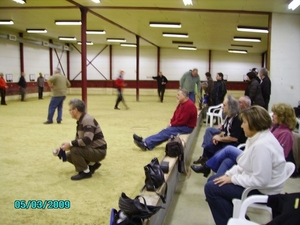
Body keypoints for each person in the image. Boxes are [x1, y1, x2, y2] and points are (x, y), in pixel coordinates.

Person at [204, 105, 287, 225]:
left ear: (254, 124)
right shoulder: (256, 138)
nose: (242, 126)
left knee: (211, 188)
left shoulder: (261, 146)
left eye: (244, 122)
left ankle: (229, 221)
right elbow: (244, 164)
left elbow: (261, 180)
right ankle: (236, 218)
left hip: (263, 190)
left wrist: (232, 179)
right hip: (258, 183)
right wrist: (229, 174)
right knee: (213, 180)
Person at [193, 102, 297, 178]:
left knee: (228, 150)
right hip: (252, 155)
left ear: (283, 117)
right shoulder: (275, 128)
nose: (273, 115)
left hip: (259, 161)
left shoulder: (286, 134)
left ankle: (209, 170)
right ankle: (215, 181)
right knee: (227, 160)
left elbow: (278, 156)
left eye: (275, 114)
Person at [53, 99, 107, 180]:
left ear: (75, 110)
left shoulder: (87, 120)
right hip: (93, 149)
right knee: (71, 154)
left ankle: (85, 172)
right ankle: (92, 164)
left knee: (75, 150)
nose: (69, 112)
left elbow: (87, 140)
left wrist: (70, 144)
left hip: (99, 151)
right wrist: (62, 151)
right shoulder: (82, 120)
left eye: (70, 110)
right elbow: (79, 143)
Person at [133, 89, 197, 151]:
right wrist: (171, 123)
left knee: (167, 132)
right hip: (181, 125)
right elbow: (175, 115)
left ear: (184, 96)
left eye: (178, 95)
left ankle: (146, 143)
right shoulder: (181, 103)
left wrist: (172, 124)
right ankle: (145, 141)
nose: (176, 96)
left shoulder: (189, 105)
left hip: (186, 127)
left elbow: (183, 120)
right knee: (165, 131)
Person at [192, 95, 247, 165]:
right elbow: (225, 130)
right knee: (208, 146)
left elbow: (234, 138)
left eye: (224, 105)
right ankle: (205, 160)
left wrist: (220, 139)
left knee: (215, 151)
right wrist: (218, 136)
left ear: (230, 107)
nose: (222, 107)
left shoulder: (237, 119)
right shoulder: (229, 116)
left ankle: (207, 165)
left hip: (234, 144)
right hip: (227, 139)